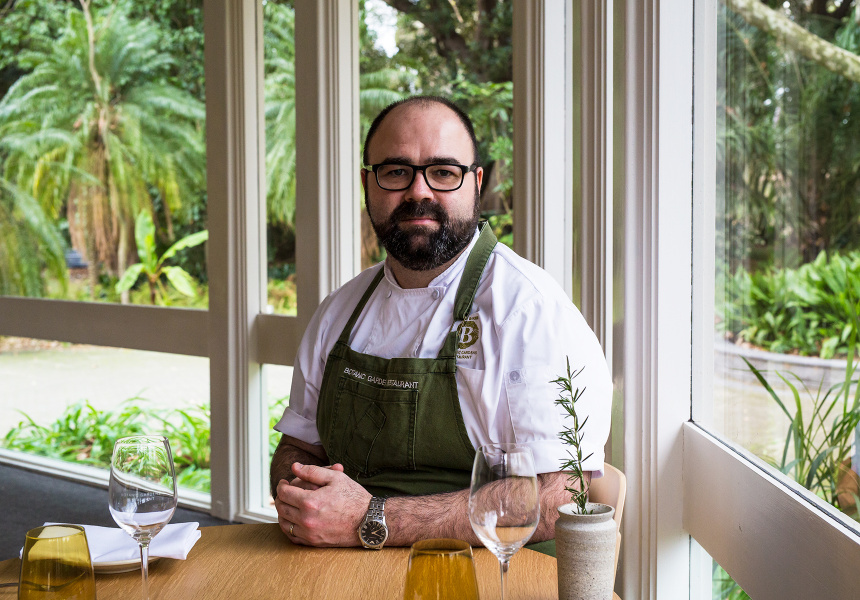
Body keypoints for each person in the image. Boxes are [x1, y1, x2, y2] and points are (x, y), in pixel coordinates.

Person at [270, 96, 611, 550]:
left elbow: (559, 496)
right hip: (340, 569)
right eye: (396, 171)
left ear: (476, 183)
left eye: (444, 172)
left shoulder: (529, 311)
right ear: (367, 183)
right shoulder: (338, 311)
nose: (419, 192)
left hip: (492, 572)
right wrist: (302, 493)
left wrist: (370, 518)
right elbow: (297, 449)